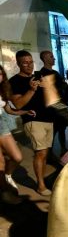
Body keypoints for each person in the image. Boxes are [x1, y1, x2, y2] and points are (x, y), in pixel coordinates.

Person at [10, 50, 55, 196]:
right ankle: (41, 186)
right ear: (18, 63)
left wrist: (48, 88)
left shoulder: (39, 76)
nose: (29, 65)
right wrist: (31, 89)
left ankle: (42, 181)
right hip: (33, 120)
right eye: (25, 63)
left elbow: (51, 97)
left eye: (31, 62)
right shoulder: (14, 82)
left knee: (44, 153)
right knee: (40, 153)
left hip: (48, 118)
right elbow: (18, 105)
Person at [0, 65, 33, 205]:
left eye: (0, 74)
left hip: (1, 125)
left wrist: (25, 112)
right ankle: (4, 193)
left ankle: (8, 175)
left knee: (17, 157)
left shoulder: (2, 91)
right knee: (0, 162)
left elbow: (9, 110)